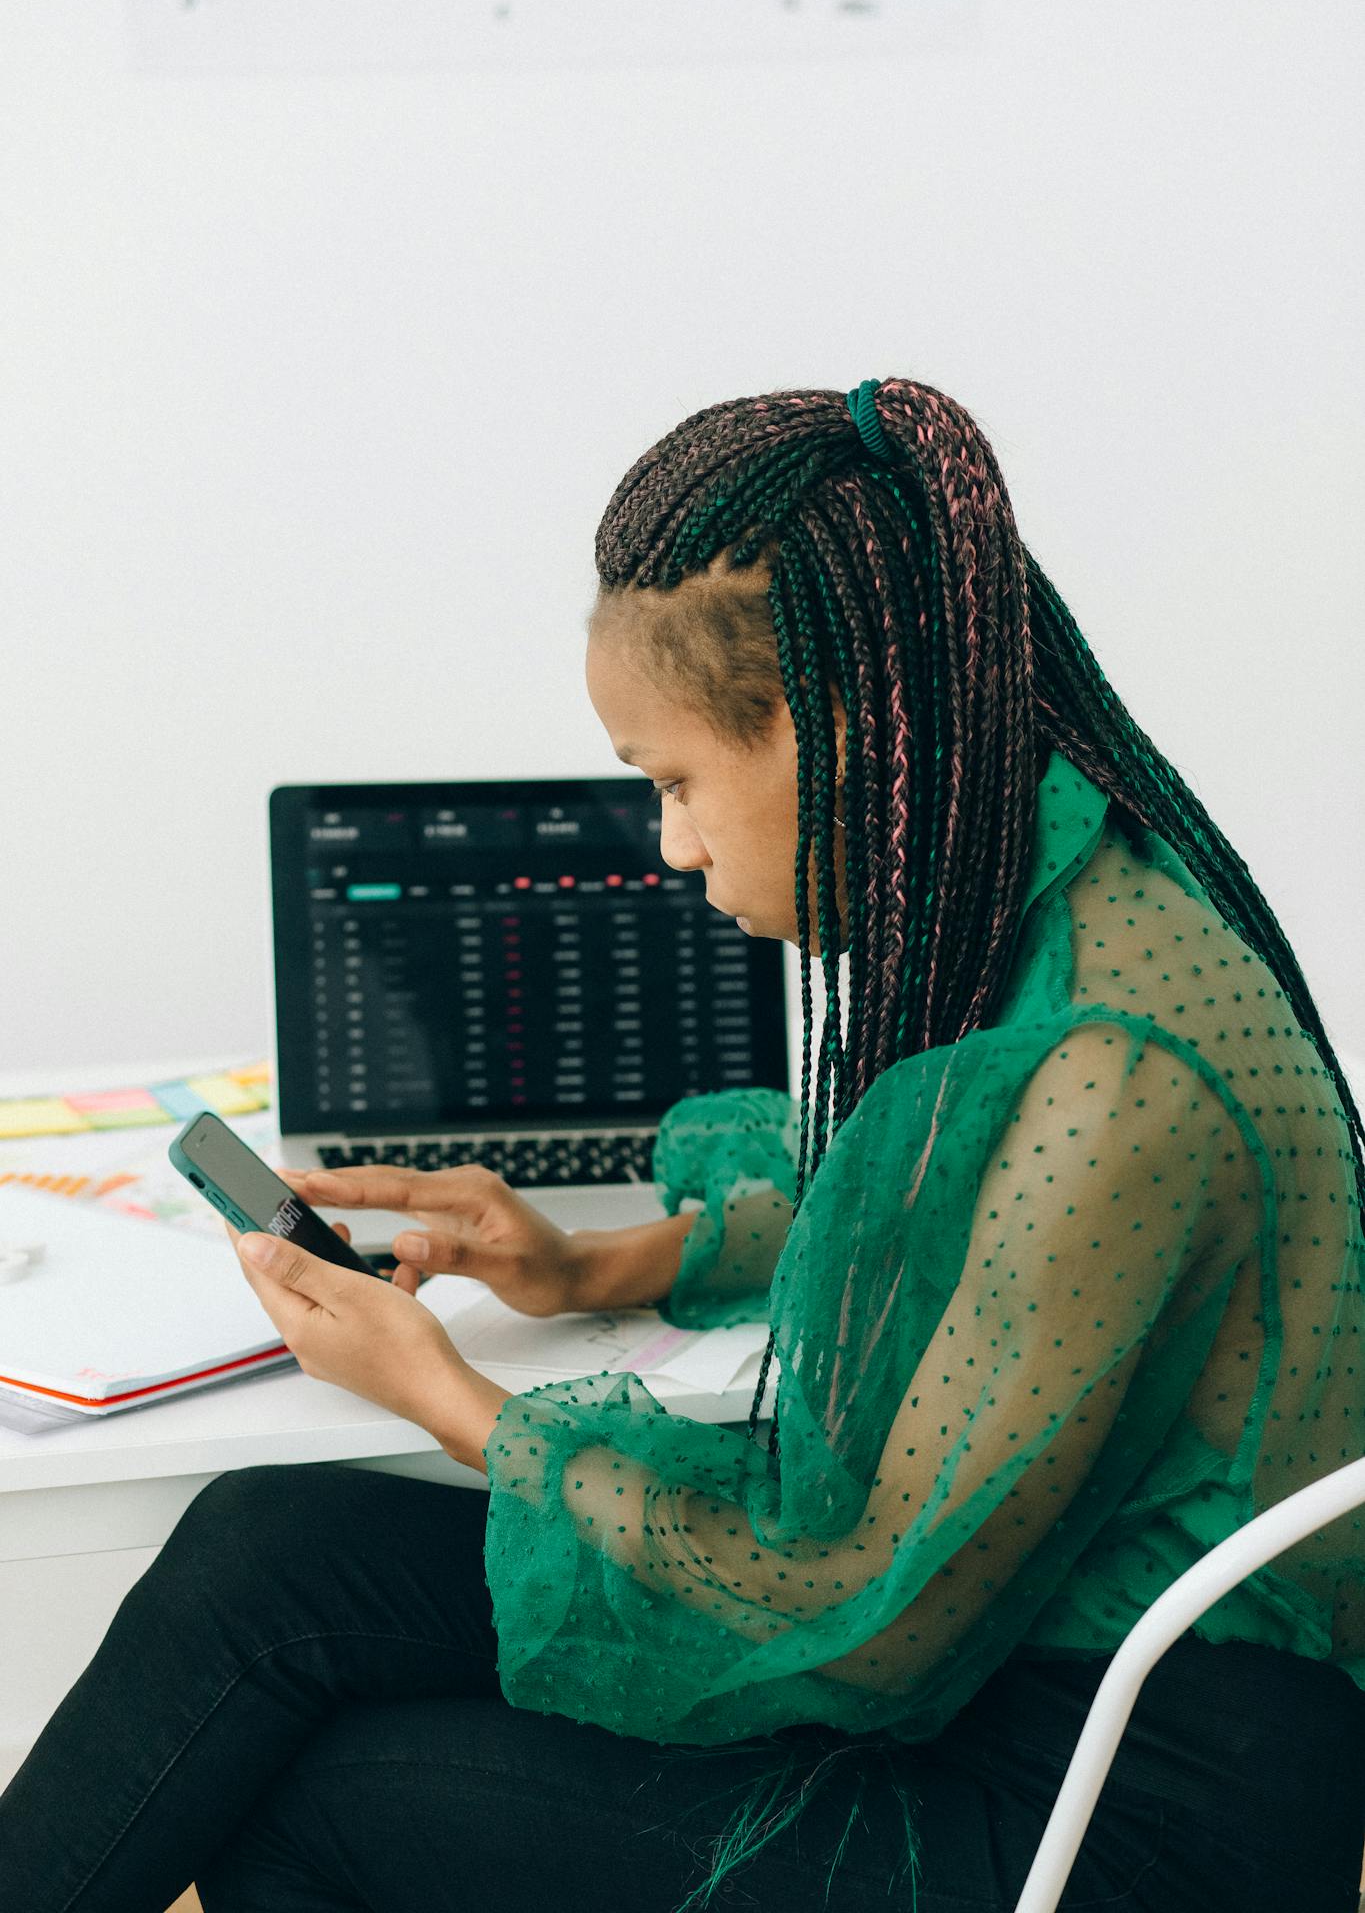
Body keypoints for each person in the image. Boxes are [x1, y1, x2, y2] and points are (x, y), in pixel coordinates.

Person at [2, 376, 1363, 1913]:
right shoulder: (1029, 882)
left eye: (672, 782)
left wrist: (447, 1398)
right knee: (268, 1547)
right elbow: (948, 1211)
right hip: (1011, 1646)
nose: (670, 842)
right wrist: (595, 1264)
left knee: (317, 1806)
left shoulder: (1112, 1075)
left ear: (838, 732)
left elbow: (868, 1620)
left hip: (1110, 1804)